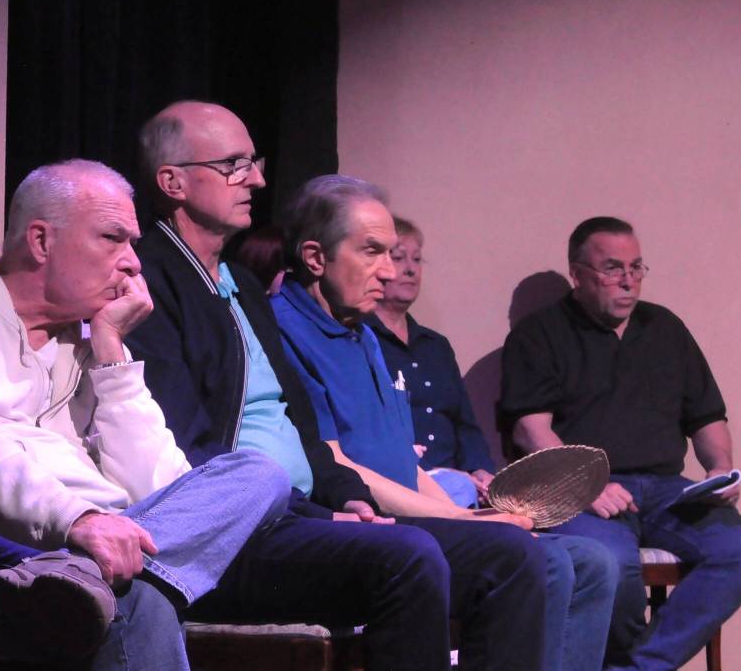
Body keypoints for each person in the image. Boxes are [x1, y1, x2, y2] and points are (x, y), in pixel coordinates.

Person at [127, 100, 548, 671]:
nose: (257, 178)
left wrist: (343, 492)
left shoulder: (242, 285)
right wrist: (319, 517)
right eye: (234, 165)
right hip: (234, 532)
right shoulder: (149, 281)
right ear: (173, 181)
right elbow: (187, 449)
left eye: (254, 161)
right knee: (409, 555)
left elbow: (300, 425)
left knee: (512, 555)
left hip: (304, 515)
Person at [0, 159, 290, 671]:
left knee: (259, 473)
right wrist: (78, 519)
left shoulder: (88, 340)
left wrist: (113, 352)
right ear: (41, 241)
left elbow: (155, 490)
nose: (134, 263)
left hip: (65, 545)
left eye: (134, 243)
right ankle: (83, 573)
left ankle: (81, 572)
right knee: (133, 603)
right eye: (113, 238)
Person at [271, 174, 618, 671]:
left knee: (594, 563)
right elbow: (335, 463)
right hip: (365, 524)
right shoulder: (285, 331)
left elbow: (402, 460)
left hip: (416, 510)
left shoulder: (363, 331)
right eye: (372, 252)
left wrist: (472, 518)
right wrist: (457, 520)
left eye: (394, 254)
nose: (389, 272)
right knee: (544, 563)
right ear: (315, 257)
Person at [498, 216, 741, 670]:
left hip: (666, 490)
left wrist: (720, 467)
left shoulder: (665, 328)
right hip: (585, 494)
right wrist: (583, 487)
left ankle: (634, 668)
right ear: (577, 273)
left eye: (636, 267)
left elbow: (708, 418)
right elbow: (530, 430)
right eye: (611, 268)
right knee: (610, 564)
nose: (628, 281)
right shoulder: (539, 334)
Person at [366, 215, 496, 508]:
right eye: (398, 258)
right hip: (403, 485)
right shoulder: (359, 339)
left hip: (460, 484)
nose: (411, 269)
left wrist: (481, 471)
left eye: (417, 259)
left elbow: (465, 423)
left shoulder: (436, 345)